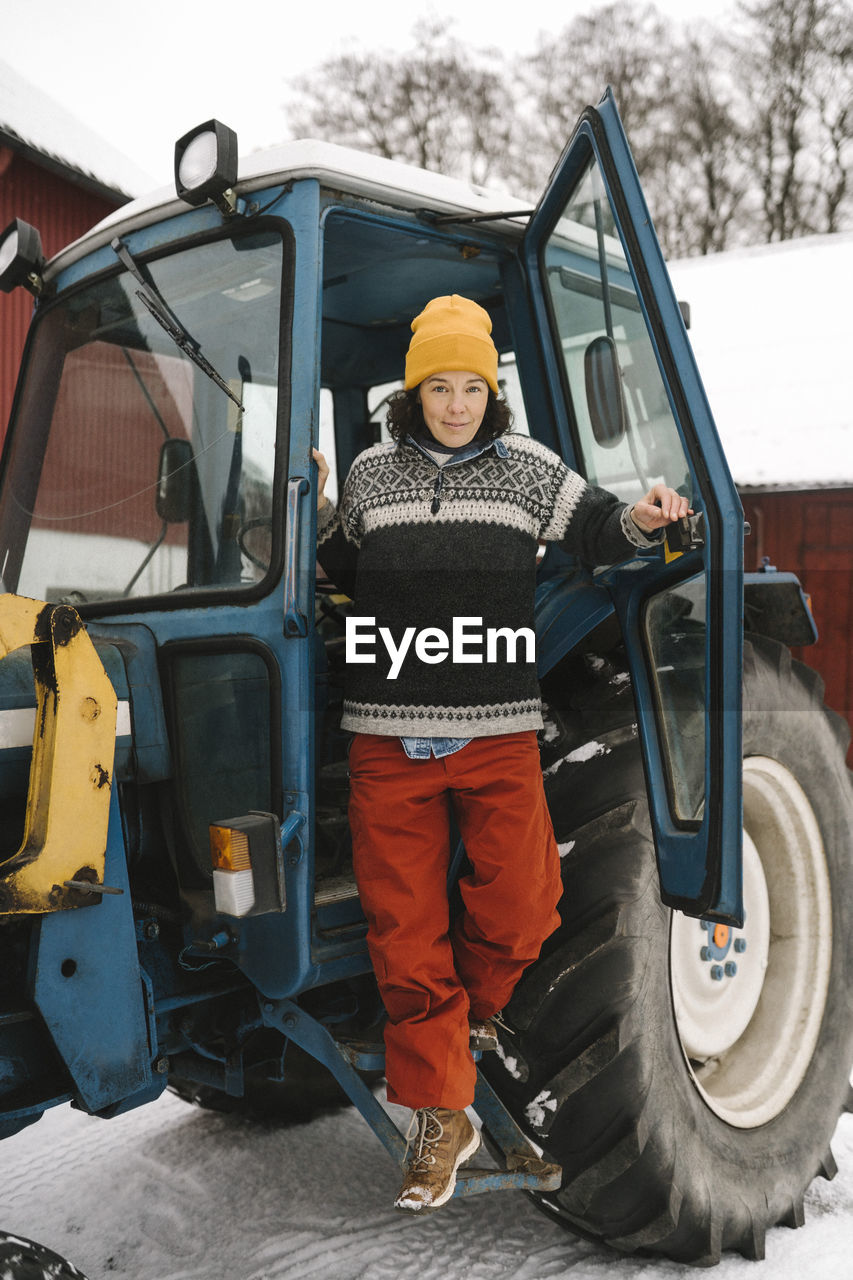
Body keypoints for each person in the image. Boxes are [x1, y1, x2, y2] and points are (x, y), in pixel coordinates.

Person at [312, 294, 689, 1214]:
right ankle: (441, 1116)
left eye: (470, 386)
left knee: (524, 905)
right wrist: (310, 504)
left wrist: (645, 518)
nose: (454, 403)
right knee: (403, 936)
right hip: (388, 732)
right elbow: (343, 569)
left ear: (491, 390)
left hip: (495, 725)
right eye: (437, 386)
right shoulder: (369, 476)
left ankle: (467, 1019)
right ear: (413, 393)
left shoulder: (527, 471)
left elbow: (598, 530)